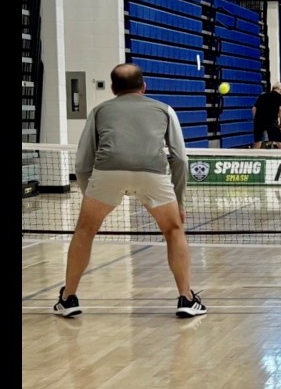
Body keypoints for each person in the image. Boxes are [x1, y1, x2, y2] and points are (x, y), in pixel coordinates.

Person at [54, 63, 206, 319]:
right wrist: (179, 202)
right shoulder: (165, 110)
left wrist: (88, 193)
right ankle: (187, 298)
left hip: (106, 173)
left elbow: (82, 163)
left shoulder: (99, 110)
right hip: (153, 174)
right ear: (144, 86)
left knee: (85, 229)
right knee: (173, 229)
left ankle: (68, 298)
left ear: (113, 88)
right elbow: (180, 159)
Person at [252, 81, 281, 149]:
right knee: (280, 142)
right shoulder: (279, 97)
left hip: (259, 121)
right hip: (271, 121)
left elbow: (254, 108)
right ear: (280, 90)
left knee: (258, 142)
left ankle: (252, 157)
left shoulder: (262, 96)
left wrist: (255, 119)